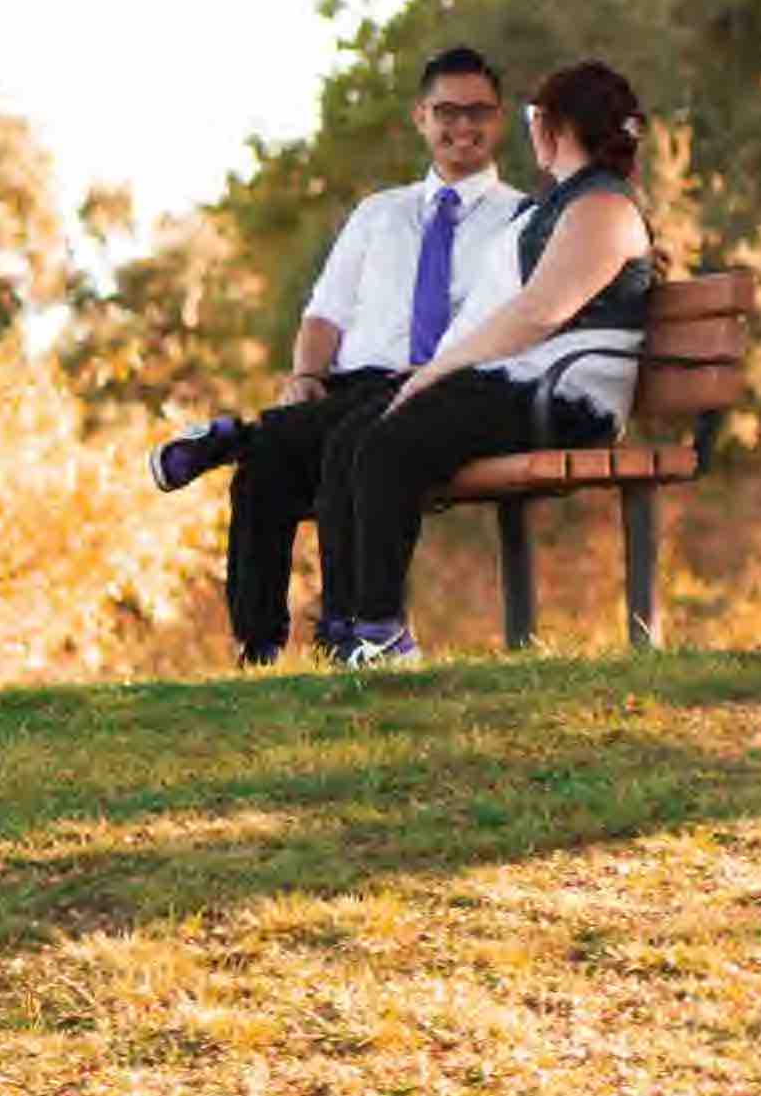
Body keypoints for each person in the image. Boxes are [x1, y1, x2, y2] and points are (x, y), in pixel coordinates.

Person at [148, 49, 536, 664]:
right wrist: (305, 374)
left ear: (501, 117)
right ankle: (259, 647)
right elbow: (325, 313)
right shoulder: (377, 214)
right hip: (350, 387)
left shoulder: (522, 219)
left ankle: (341, 622)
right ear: (420, 117)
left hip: (442, 391)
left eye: (479, 111)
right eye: (447, 111)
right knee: (271, 462)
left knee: (340, 443)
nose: (463, 126)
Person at [307, 59, 660, 668]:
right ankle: (348, 635)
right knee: (352, 437)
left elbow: (536, 314)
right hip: (521, 382)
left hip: (567, 398)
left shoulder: (603, 209)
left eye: (532, 119)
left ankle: (383, 637)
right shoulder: (560, 205)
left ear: (553, 126)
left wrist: (434, 373)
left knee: (393, 444)